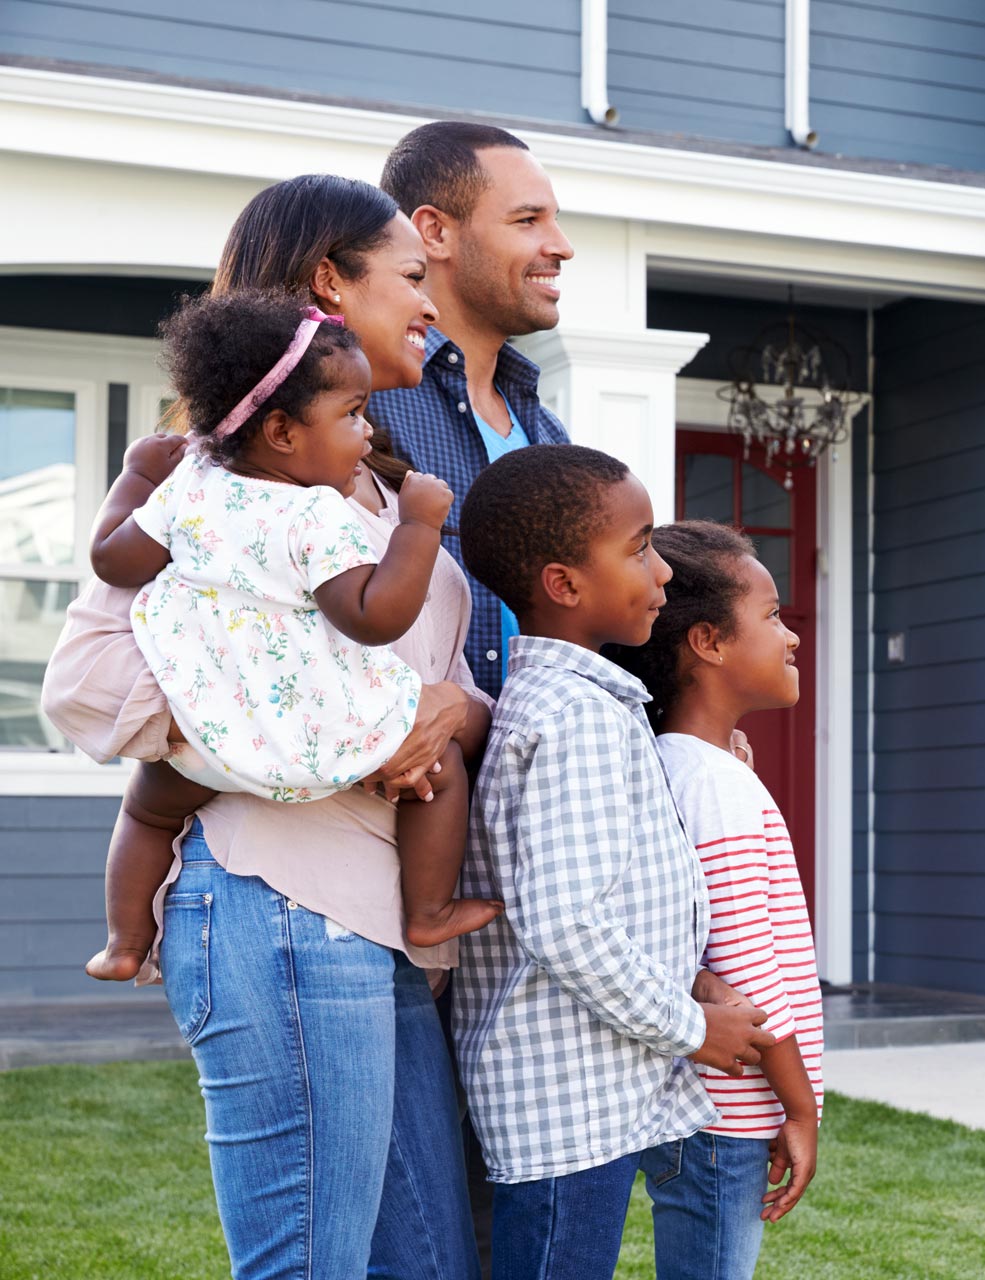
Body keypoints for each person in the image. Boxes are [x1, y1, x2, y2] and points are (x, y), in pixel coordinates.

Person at [41, 173, 488, 1280]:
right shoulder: (214, 487)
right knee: (306, 1265)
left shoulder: (369, 490)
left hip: (377, 928)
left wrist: (451, 712)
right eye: (411, 278)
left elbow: (431, 683)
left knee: (429, 1264)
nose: (431, 305)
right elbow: (89, 689)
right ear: (331, 283)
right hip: (283, 912)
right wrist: (322, 738)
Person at [82, 290, 501, 983]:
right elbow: (374, 614)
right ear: (280, 431)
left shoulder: (190, 488)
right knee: (439, 771)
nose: (366, 434)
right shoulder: (316, 513)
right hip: (325, 733)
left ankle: (126, 941)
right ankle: (428, 910)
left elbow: (113, 560)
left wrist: (135, 475)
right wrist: (419, 527)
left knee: (147, 810)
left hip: (214, 730)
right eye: (352, 414)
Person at [452, 445, 779, 1280]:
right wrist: (694, 1026)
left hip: (583, 1094)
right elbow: (565, 922)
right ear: (564, 584)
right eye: (638, 548)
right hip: (566, 1108)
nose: (663, 569)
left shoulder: (580, 703)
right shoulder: (578, 720)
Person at [609, 521, 826, 1277]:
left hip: (701, 1105)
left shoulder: (682, 767)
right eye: (771, 616)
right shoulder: (712, 785)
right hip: (724, 1113)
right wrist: (800, 1108)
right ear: (708, 642)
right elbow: (747, 974)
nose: (792, 635)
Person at [371, 121, 575, 699]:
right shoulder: (362, 405)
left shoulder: (549, 436)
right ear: (434, 232)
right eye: (528, 220)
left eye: (555, 220)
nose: (560, 245)